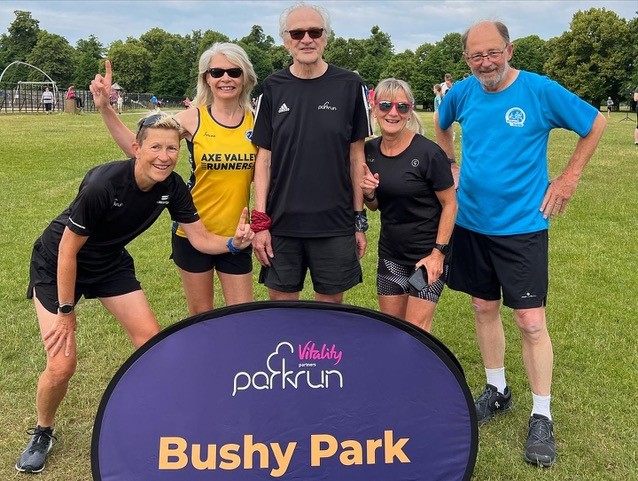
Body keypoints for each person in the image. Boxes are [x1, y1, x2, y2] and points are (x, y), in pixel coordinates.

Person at [15, 112, 254, 474]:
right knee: (62, 364)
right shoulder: (104, 184)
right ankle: (43, 431)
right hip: (58, 263)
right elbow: (67, 250)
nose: (164, 156)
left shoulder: (172, 187)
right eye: (155, 147)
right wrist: (66, 310)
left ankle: (163, 420)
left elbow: (201, 238)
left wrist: (234, 244)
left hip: (109, 263)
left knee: (152, 344)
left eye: (172, 148)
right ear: (136, 148)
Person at [434, 20, 606, 468]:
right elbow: (441, 122)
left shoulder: (539, 90)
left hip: (523, 227)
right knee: (482, 307)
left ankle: (542, 414)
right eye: (476, 56)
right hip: (471, 223)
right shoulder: (463, 92)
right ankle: (497, 389)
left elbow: (596, 122)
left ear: (510, 50)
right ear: (466, 59)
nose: (485, 63)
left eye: (493, 53)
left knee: (530, 321)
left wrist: (569, 177)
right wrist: (450, 162)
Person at [90, 43, 258, 314]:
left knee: (241, 316)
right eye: (216, 72)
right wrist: (105, 108)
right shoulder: (193, 118)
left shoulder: (257, 122)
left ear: (245, 76)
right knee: (201, 319)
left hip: (236, 235)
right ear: (206, 78)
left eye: (234, 71)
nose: (225, 78)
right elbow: (143, 149)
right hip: (192, 231)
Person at [251, 2, 371, 303]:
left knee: (330, 314)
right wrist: (260, 223)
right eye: (297, 33)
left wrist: (358, 221)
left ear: (326, 37)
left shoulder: (350, 85)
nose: (307, 39)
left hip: (334, 224)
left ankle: (321, 355)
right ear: (285, 40)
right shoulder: (272, 87)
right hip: (281, 225)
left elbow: (356, 157)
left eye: (315, 31)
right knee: (281, 309)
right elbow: (263, 160)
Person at [361, 78, 456, 332]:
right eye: (385, 105)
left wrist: (438, 254)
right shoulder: (368, 152)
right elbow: (377, 205)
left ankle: (422, 373)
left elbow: (450, 204)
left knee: (416, 332)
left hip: (427, 256)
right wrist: (369, 195)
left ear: (410, 109)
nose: (393, 113)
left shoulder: (428, 153)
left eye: (402, 107)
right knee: (391, 330)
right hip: (391, 254)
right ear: (374, 107)